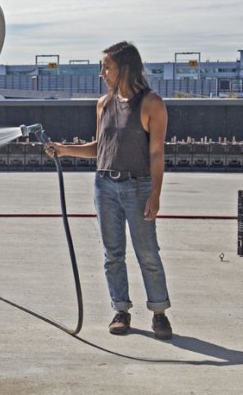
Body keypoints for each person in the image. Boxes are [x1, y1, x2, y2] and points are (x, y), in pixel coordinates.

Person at [45, 41, 173, 340]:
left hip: (137, 185)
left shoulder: (151, 103)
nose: (102, 72)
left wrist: (155, 194)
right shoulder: (103, 104)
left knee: (147, 252)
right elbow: (100, 149)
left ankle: (159, 313)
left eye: (107, 67)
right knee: (112, 253)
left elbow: (156, 153)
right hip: (104, 185)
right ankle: (121, 310)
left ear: (125, 68)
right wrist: (63, 150)